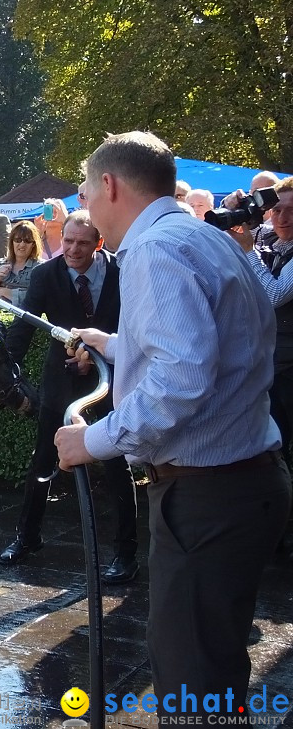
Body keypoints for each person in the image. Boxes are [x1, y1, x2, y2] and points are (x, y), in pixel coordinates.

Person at [55, 131, 289, 718]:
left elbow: (182, 376)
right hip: (241, 484)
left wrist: (94, 441)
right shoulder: (202, 238)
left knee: (192, 687)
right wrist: (115, 342)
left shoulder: (156, 251)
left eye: (85, 188)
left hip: (207, 496)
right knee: (212, 671)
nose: (84, 201)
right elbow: (214, 341)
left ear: (109, 185)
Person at [0, 211, 137, 583]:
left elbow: (135, 327)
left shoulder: (123, 273)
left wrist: (108, 358)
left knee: (114, 462)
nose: (72, 250)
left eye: (82, 243)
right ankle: (26, 537)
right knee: (44, 457)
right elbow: (25, 326)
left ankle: (126, 554)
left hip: (110, 379)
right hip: (60, 380)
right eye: (68, 241)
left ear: (99, 243)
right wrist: (6, 368)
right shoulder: (46, 274)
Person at [225, 177, 293, 461]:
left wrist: (248, 252)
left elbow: (274, 295)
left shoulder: (261, 244)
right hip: (267, 365)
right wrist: (232, 208)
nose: (283, 218)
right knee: (271, 444)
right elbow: (223, 230)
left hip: (288, 370)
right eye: (276, 209)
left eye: (292, 211)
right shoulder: (268, 236)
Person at [0, 220, 42, 306]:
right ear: (11, 242)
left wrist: (4, 292)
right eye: (18, 240)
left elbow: (41, 297)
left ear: (33, 244)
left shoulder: (41, 268)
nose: (22, 244)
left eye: (27, 241)